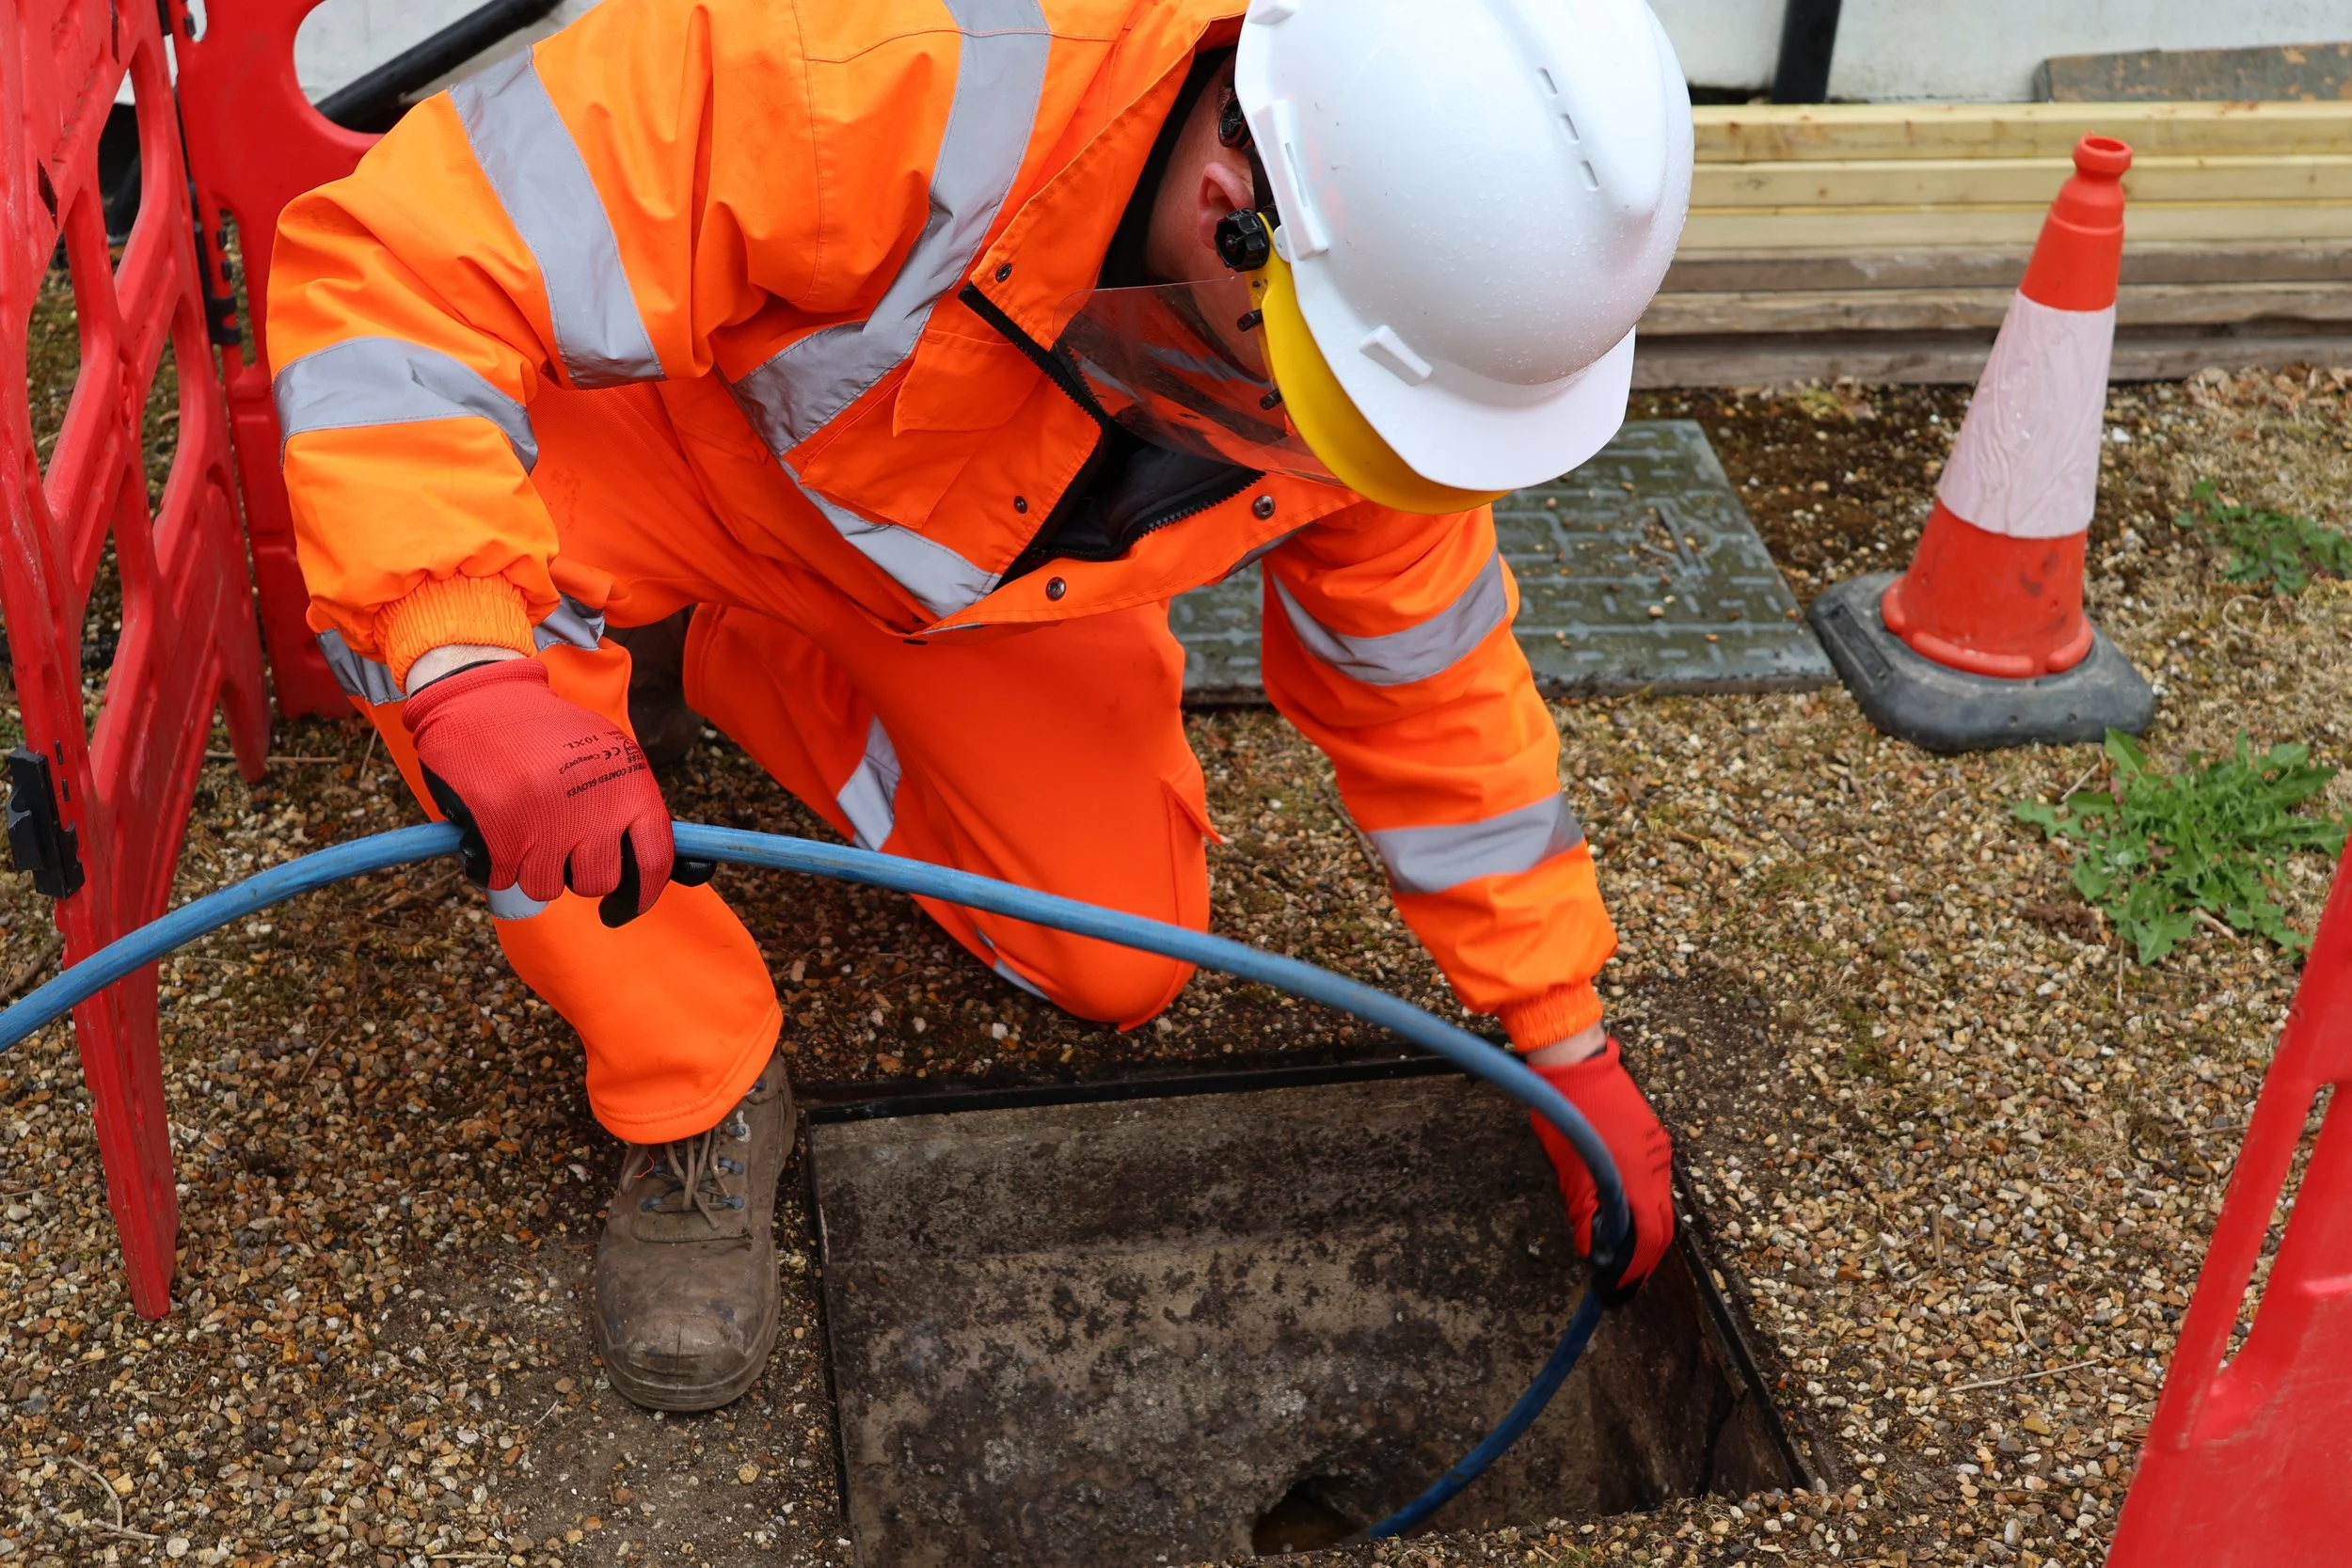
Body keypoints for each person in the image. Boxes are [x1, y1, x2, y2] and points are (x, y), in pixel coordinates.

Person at [269, 0, 1694, 1414]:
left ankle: (747, 663)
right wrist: (462, 646)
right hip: (664, 448)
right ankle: (690, 1082)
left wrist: (1562, 1031)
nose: (1337, 456)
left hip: (962, 576)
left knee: (1110, 957)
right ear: (1227, 210)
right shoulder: (877, 67)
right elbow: (393, 260)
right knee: (446, 652)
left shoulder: (1396, 315)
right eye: (1315, 405)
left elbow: (1427, 683)